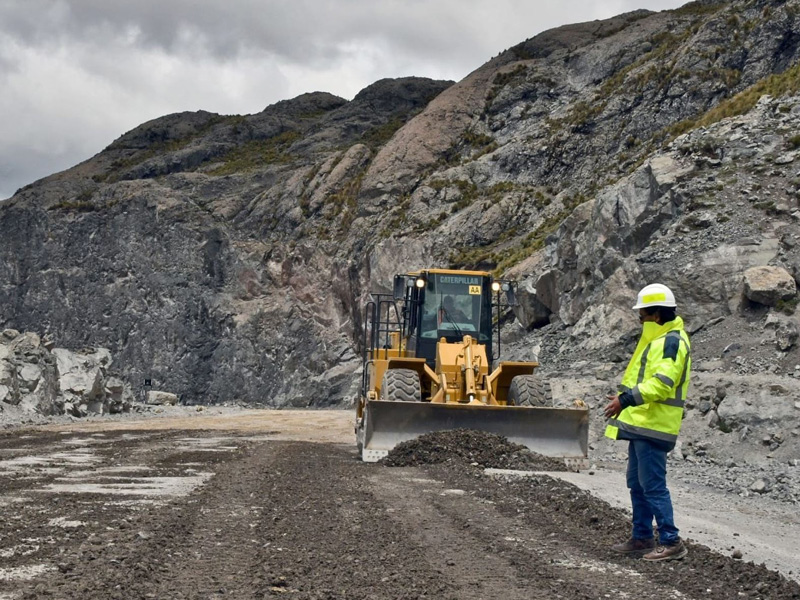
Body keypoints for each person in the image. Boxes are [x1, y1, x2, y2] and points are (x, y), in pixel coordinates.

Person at [603, 283, 691, 562]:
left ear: (655, 313)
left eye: (642, 313)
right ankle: (641, 537)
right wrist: (623, 399)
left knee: (652, 484)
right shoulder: (657, 339)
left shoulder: (671, 341)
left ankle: (671, 540)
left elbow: (663, 384)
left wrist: (626, 400)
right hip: (642, 423)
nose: (639, 318)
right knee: (637, 483)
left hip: (655, 425)